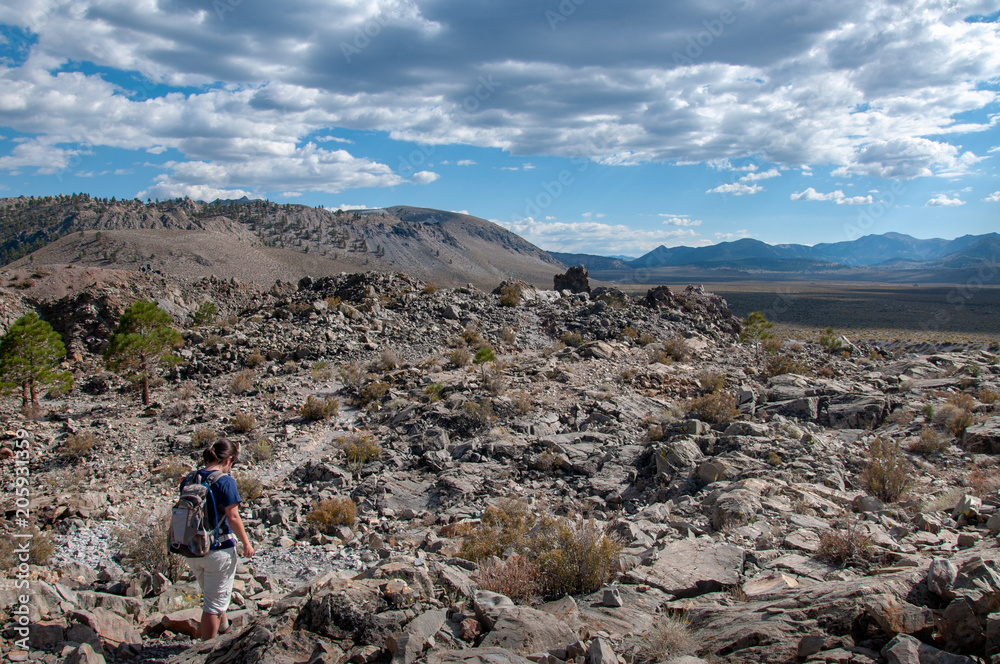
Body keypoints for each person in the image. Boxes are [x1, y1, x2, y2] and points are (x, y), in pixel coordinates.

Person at [181, 438, 254, 640]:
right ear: (228, 459)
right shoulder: (225, 481)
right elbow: (232, 517)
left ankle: (224, 628)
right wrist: (246, 543)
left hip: (192, 548)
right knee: (212, 605)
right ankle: (207, 651)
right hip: (218, 549)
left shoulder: (189, 479)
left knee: (213, 594)